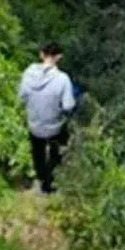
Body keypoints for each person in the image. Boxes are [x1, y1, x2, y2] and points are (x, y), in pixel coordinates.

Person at [18, 43, 76, 194]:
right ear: (58, 57)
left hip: (34, 125)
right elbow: (68, 106)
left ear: (41, 55)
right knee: (58, 148)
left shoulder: (28, 73)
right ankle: (51, 183)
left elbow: (22, 97)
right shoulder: (63, 79)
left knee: (38, 151)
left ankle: (41, 179)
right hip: (54, 127)